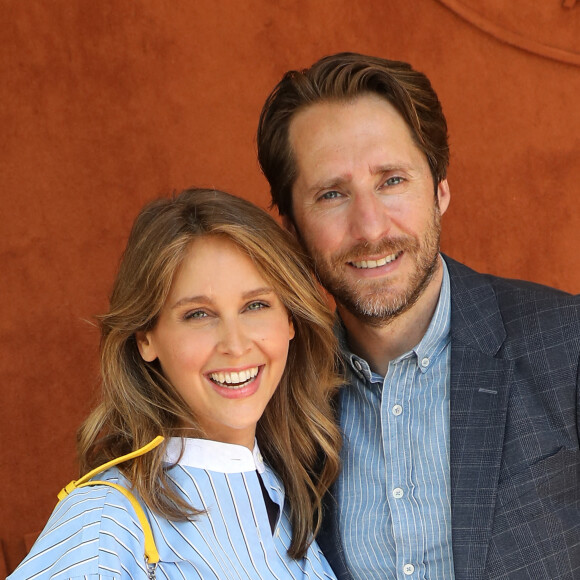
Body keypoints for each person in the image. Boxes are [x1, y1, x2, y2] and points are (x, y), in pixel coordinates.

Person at [256, 52, 580, 580]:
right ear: (292, 228)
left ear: (440, 189)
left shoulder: (568, 345)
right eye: (332, 194)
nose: (370, 227)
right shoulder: (278, 399)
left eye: (392, 181)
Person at [9, 188, 342, 579]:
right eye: (198, 314)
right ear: (145, 337)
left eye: (256, 305)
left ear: (290, 320)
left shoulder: (290, 499)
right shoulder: (105, 521)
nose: (235, 345)